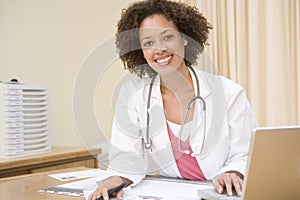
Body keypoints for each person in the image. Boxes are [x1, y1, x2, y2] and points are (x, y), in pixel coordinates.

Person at [89, 0, 258, 199]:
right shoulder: (133, 95)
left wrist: (233, 172)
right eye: (148, 43)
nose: (159, 49)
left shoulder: (229, 92)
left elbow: (246, 154)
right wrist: (116, 178)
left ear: (185, 38)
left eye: (167, 37)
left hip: (218, 195)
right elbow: (127, 156)